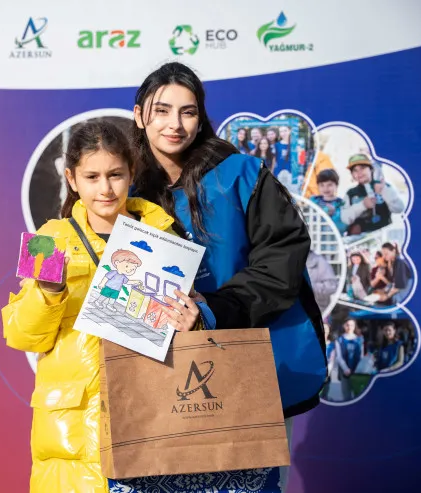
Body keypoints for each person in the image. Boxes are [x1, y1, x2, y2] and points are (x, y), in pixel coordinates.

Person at [127, 62, 327, 493]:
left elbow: (281, 261)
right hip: (159, 380)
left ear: (201, 118)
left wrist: (213, 310)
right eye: (162, 110)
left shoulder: (242, 174)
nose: (175, 124)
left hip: (251, 367)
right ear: (139, 114)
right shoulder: (122, 189)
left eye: (188, 112)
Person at [1, 120, 210, 493]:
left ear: (132, 173)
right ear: (71, 178)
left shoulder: (165, 233)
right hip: (73, 433)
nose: (105, 188)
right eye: (92, 177)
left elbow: (185, 321)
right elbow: (22, 336)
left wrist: (194, 321)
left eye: (115, 174)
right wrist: (48, 292)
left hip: (152, 416)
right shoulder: (47, 240)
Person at [341, 154, 405, 235]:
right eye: (355, 170)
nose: (359, 173)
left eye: (363, 168)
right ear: (352, 175)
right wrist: (363, 205)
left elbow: (399, 208)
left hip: (384, 236)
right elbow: (345, 219)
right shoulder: (350, 193)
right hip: (361, 239)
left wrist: (383, 191)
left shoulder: (385, 186)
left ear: (371, 169)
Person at [310, 169, 347, 235]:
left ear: (336, 185)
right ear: (318, 186)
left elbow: (343, 226)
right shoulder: (313, 201)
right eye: (322, 185)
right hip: (316, 238)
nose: (325, 188)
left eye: (329, 185)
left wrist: (334, 214)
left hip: (335, 239)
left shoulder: (342, 203)